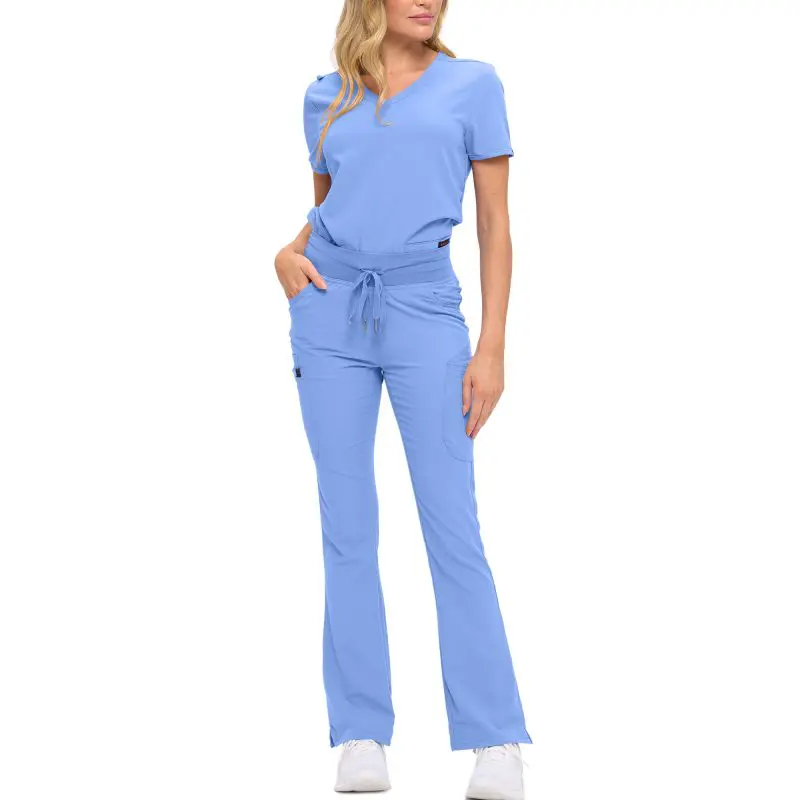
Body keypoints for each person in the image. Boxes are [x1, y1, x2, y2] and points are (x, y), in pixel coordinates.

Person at [274, 2, 531, 798]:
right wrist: (286, 254)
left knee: (452, 526)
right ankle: (360, 730)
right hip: (330, 315)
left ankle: (494, 737)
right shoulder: (326, 96)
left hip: (426, 311)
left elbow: (495, 224)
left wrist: (491, 347)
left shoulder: (473, 86)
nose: (429, 0)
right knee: (346, 526)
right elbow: (331, 209)